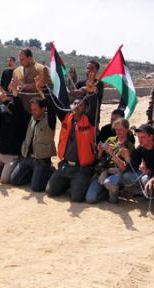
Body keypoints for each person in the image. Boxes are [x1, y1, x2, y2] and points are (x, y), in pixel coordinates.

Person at [45, 73, 98, 202]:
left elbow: (94, 106)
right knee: (50, 191)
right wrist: (44, 89)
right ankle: (70, 184)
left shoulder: (90, 121)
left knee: (77, 198)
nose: (76, 106)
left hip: (81, 169)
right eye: (74, 103)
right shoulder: (66, 117)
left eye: (80, 105)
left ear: (85, 108)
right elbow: (54, 103)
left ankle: (82, 183)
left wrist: (91, 93)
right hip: (64, 166)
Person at [0, 79, 30, 183]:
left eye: (10, 101)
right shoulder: (2, 113)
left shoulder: (22, 117)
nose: (7, 105)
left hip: (12, 156)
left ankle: (10, 168)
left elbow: (18, 109)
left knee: (4, 180)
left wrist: (14, 95)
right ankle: (2, 169)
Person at [10, 97, 56, 192]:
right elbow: (20, 109)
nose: (33, 112)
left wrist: (45, 92)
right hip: (28, 158)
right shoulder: (31, 118)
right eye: (32, 110)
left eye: (35, 109)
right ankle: (36, 174)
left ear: (43, 109)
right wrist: (15, 95)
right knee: (14, 180)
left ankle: (49, 171)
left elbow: (52, 108)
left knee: (36, 187)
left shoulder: (50, 120)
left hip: (41, 160)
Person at [86, 118, 135, 203]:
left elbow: (124, 168)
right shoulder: (110, 139)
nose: (118, 132)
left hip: (117, 173)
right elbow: (99, 159)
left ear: (127, 130)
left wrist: (112, 154)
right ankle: (107, 193)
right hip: (104, 172)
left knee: (109, 183)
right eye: (116, 129)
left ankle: (114, 194)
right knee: (90, 198)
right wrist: (100, 151)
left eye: (121, 129)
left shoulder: (129, 146)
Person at [121, 124, 154, 197]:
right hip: (147, 174)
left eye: (143, 137)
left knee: (145, 179)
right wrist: (127, 158)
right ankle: (141, 191)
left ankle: (152, 194)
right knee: (127, 176)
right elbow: (133, 168)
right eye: (138, 137)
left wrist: (149, 170)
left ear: (151, 136)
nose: (140, 140)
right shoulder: (140, 148)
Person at [73, 60, 104, 128]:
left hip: (91, 119)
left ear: (97, 70)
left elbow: (91, 91)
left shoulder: (99, 84)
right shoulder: (79, 83)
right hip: (78, 116)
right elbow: (73, 94)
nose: (89, 70)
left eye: (92, 68)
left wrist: (82, 90)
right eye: (87, 68)